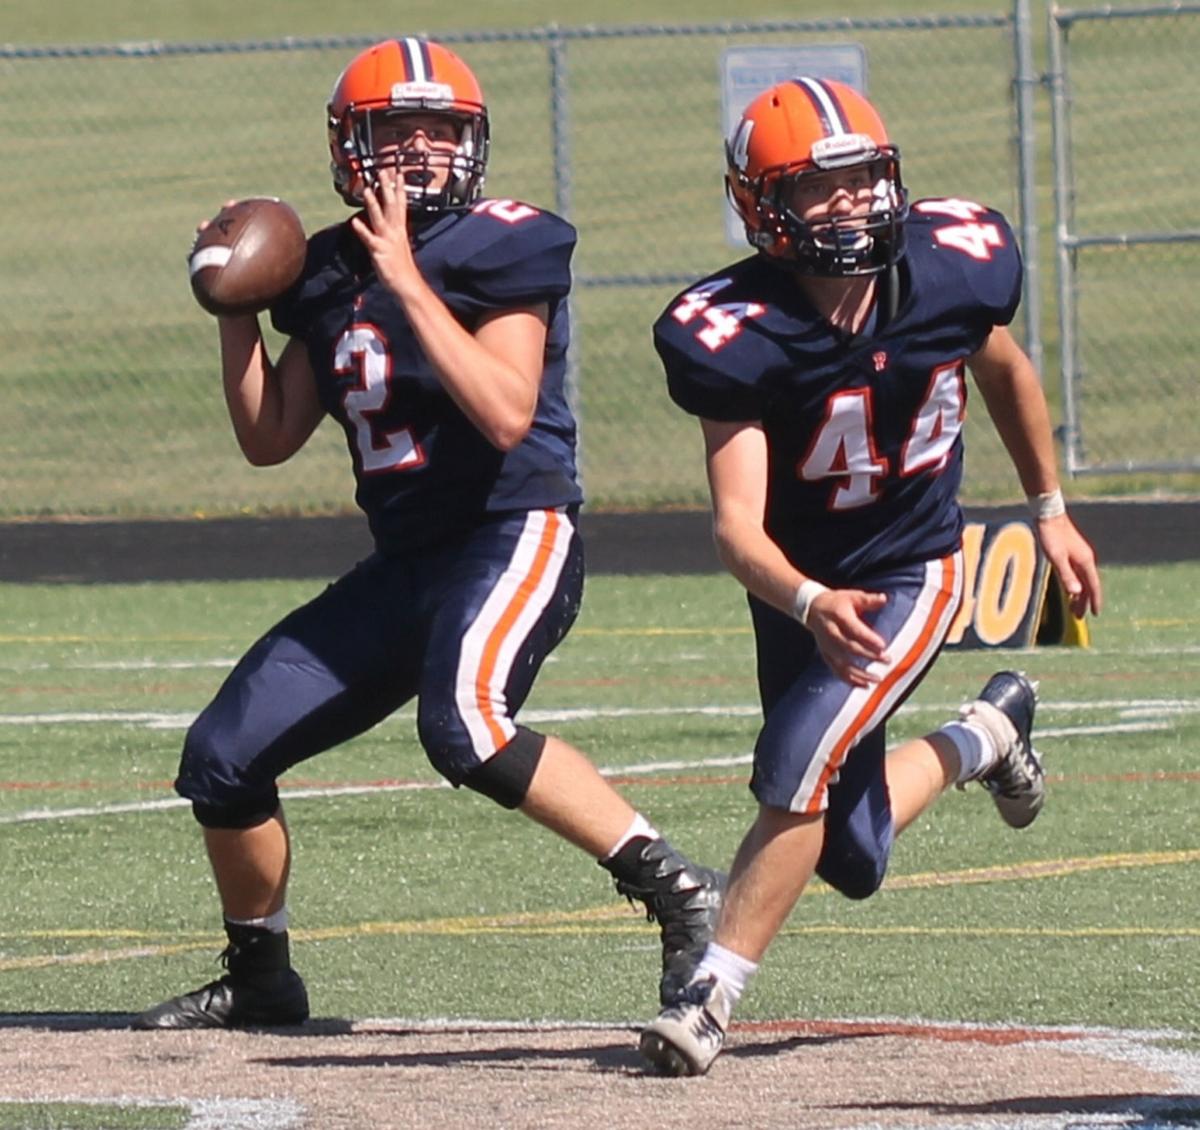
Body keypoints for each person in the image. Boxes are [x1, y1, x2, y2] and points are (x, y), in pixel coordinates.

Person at [133, 37, 722, 1031]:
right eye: (396, 129)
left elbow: (503, 410)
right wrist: (232, 310)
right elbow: (271, 435)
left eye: (441, 129)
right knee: (223, 753)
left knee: (465, 723)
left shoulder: (506, 240)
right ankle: (262, 970)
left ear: (472, 142)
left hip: (513, 529)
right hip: (407, 559)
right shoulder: (321, 271)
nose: (421, 149)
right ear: (348, 146)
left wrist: (406, 277)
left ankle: (679, 888)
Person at [638, 77, 1103, 1076]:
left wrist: (1049, 507)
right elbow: (736, 526)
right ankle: (988, 731)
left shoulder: (948, 270)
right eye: (818, 187)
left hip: (913, 564)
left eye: (862, 180)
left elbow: (1007, 371)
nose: (849, 203)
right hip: (797, 585)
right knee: (852, 853)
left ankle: (710, 991)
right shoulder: (734, 329)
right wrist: (805, 597)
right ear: (763, 204)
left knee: (798, 756)